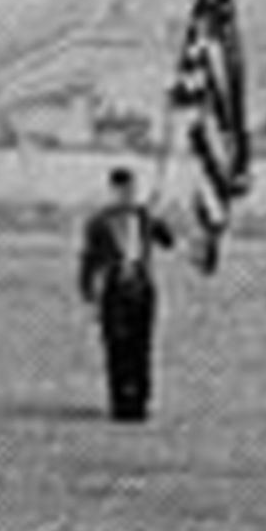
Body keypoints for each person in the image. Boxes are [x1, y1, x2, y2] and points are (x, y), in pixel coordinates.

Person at [78, 165, 176, 422]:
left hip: (142, 288)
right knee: (116, 347)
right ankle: (120, 402)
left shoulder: (145, 218)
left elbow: (168, 241)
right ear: (113, 191)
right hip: (114, 289)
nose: (127, 195)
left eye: (131, 190)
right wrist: (88, 295)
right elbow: (89, 261)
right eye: (122, 191)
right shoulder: (99, 223)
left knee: (142, 346)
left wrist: (159, 217)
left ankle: (141, 402)